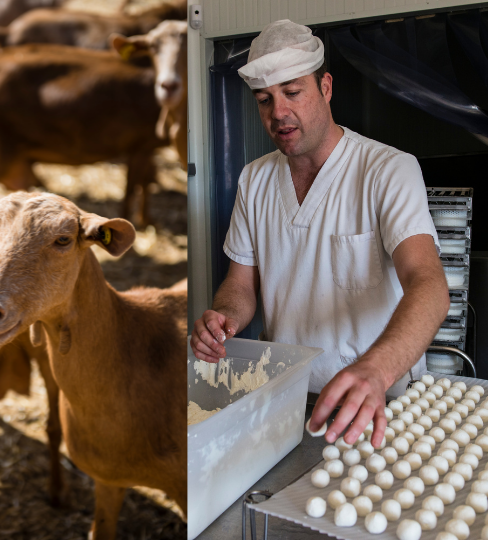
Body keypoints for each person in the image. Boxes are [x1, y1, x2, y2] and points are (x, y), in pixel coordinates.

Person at [189, 20, 450, 449]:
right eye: (264, 100)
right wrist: (225, 317)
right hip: (287, 400)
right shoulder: (254, 180)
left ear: (325, 87)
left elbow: (430, 285)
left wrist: (376, 370)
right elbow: (240, 284)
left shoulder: (386, 170)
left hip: (377, 401)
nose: (278, 113)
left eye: (293, 92)